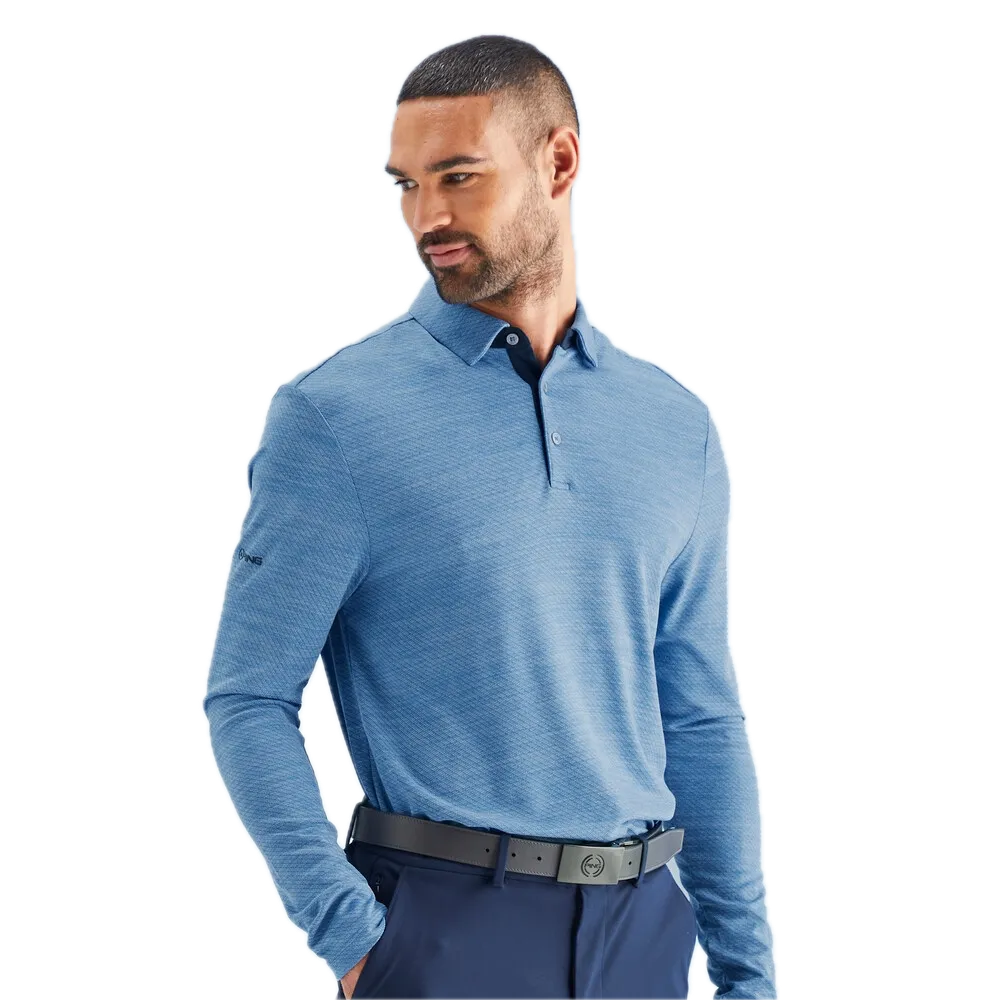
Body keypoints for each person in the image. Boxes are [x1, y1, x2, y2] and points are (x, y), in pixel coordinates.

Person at [200, 30, 778, 1000]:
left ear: (560, 161)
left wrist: (749, 972)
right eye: (405, 185)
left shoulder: (676, 424)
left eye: (459, 177)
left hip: (643, 934)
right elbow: (246, 697)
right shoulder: (333, 418)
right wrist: (354, 939)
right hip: (446, 931)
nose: (427, 216)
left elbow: (702, 712)